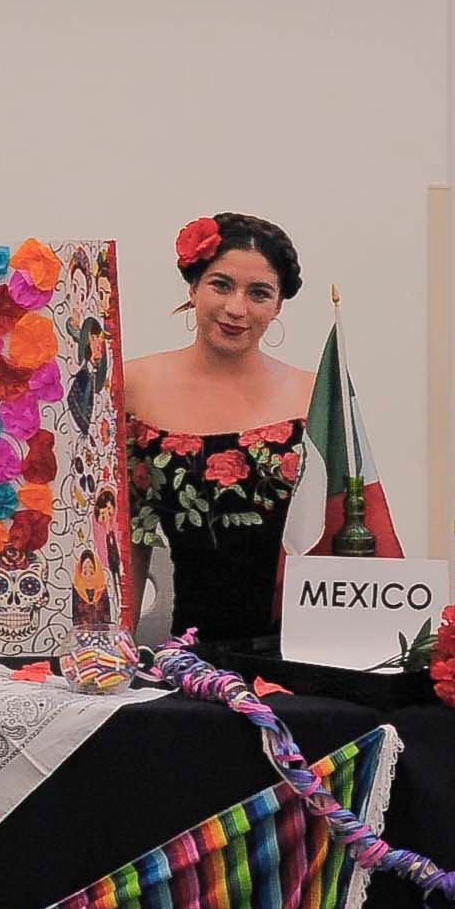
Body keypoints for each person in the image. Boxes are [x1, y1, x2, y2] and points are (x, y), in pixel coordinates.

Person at [125, 212, 314, 646]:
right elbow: (125, 537)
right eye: (221, 285)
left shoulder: (313, 397)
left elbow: (344, 537)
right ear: (193, 287)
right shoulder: (133, 388)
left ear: (278, 305)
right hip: (191, 655)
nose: (236, 308)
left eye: (259, 293)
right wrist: (116, 650)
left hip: (301, 654)